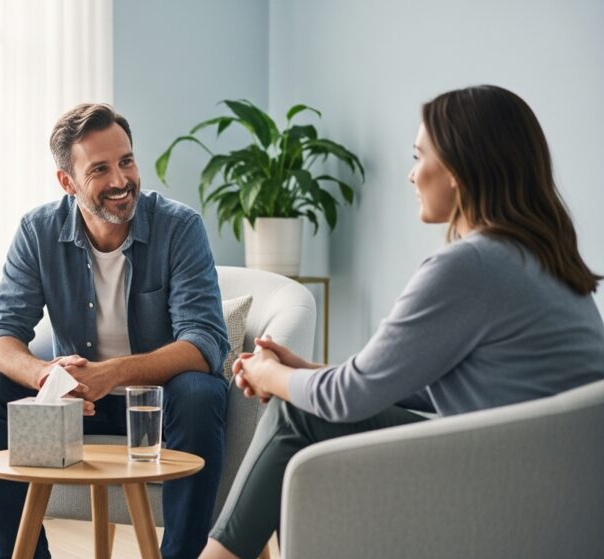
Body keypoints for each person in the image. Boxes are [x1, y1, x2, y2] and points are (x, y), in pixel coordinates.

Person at [201, 85, 604, 559]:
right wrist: (307, 372)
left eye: (419, 156)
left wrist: (274, 375)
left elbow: (348, 397)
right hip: (556, 487)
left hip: (503, 491)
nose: (412, 175)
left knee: (300, 411)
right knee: (307, 406)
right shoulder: (543, 257)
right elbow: (437, 381)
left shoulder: (469, 266)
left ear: (456, 170)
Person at [0, 103, 231, 559]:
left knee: (201, 392)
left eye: (126, 161)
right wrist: (45, 375)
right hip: (76, 405)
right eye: (100, 169)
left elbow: (204, 342)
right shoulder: (38, 231)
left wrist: (113, 374)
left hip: (159, 403)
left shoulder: (179, 227)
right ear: (67, 182)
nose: (121, 181)